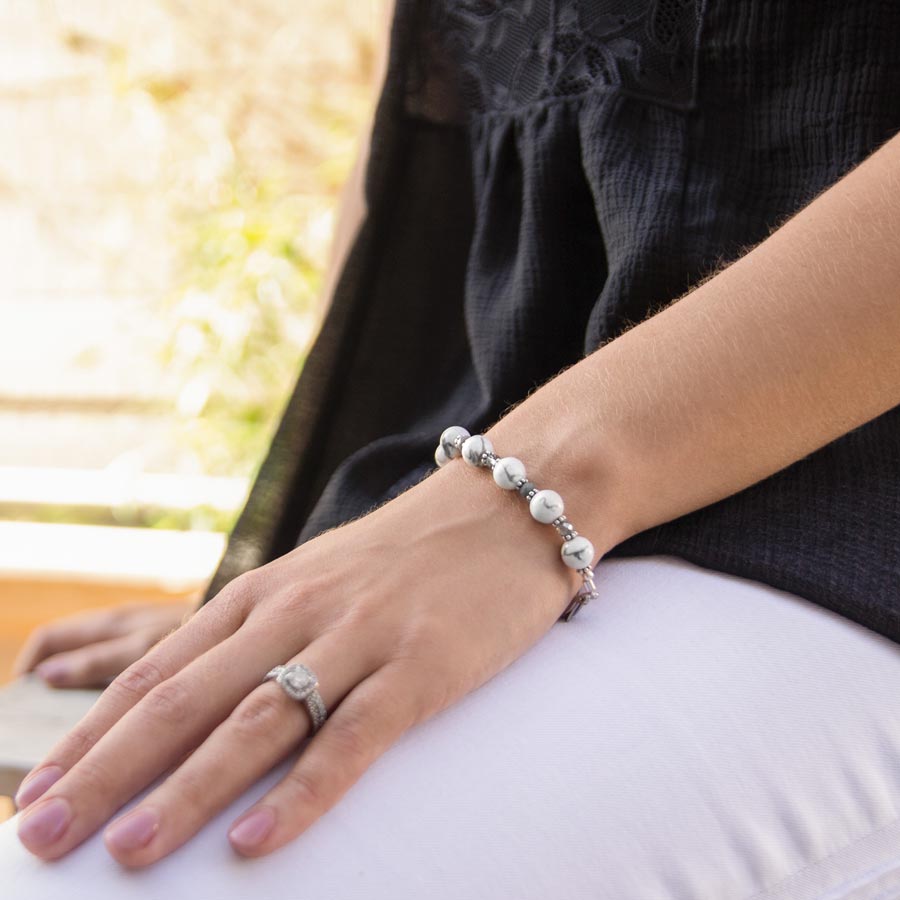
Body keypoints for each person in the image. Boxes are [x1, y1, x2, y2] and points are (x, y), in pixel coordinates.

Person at [4, 1, 900, 897]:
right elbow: (429, 121)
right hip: (501, 484)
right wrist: (308, 577)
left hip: (840, 522)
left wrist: (531, 495)